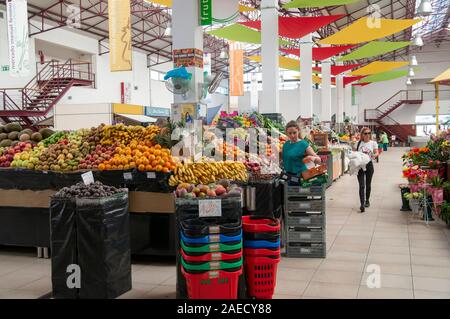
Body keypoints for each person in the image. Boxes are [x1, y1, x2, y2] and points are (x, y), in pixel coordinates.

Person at [355, 127, 379, 213]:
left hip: (369, 165)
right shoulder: (358, 143)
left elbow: (377, 152)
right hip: (360, 166)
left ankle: (367, 200)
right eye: (365, 133)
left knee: (368, 184)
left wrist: (374, 155)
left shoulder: (373, 143)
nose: (368, 135)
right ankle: (362, 204)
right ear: (362, 134)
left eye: (369, 133)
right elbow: (354, 154)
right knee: (362, 185)